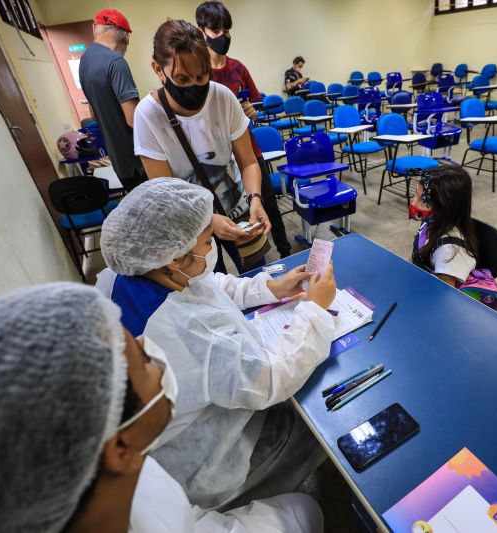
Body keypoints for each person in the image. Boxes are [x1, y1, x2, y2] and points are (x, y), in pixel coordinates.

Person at [0, 283, 324, 532]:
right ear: (119, 447)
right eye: (143, 361)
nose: (153, 351)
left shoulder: (87, 477)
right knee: (306, 508)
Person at [96, 178, 337, 510]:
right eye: (208, 240)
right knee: (322, 425)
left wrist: (271, 288)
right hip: (210, 460)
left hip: (178, 428)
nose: (212, 249)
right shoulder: (184, 331)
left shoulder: (128, 270)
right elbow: (268, 381)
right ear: (173, 258)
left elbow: (206, 286)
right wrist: (314, 310)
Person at [134, 19, 269, 274]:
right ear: (158, 69)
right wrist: (207, 221)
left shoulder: (222, 97)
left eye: (201, 76)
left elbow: (248, 162)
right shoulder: (148, 115)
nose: (194, 87)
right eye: (181, 79)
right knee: (210, 286)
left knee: (259, 276)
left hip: (238, 205)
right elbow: (165, 194)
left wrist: (255, 199)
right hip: (189, 220)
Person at [196, 1, 292, 258]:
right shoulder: (198, 71)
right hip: (217, 155)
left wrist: (252, 110)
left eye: (227, 30)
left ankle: (286, 252)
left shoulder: (237, 67)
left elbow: (256, 104)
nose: (223, 36)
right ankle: (245, 263)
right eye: (217, 30)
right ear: (202, 29)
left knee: (268, 203)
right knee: (228, 212)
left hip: (248, 148)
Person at [79, 9, 146, 191]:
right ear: (125, 37)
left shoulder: (84, 61)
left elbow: (94, 114)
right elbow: (133, 120)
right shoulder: (116, 62)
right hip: (137, 162)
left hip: (119, 161)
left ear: (95, 29)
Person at [410, 165, 478, 287]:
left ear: (445, 208)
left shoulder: (448, 250)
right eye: (416, 195)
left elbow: (443, 296)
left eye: (423, 202)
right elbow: (416, 255)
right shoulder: (431, 221)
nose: (414, 203)